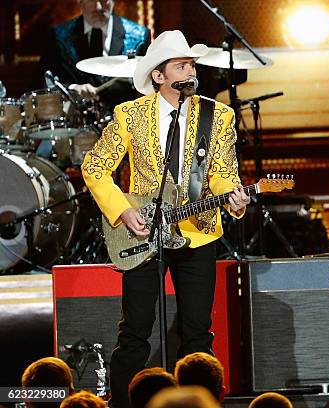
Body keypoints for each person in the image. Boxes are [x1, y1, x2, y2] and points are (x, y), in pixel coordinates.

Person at [81, 30, 250, 408]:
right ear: (158, 75)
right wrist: (123, 210)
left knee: (197, 334)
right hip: (143, 233)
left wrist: (234, 198)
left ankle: (203, 402)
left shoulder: (217, 115)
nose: (190, 69)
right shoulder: (130, 115)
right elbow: (94, 166)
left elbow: (222, 172)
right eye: (181, 64)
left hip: (198, 232)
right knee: (135, 331)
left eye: (191, 63)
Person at [37, 0, 150, 99]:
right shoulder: (59, 36)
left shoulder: (139, 36)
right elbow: (43, 81)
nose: (98, 7)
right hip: (78, 117)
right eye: (91, 0)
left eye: (103, 0)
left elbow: (149, 86)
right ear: (80, 1)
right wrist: (73, 88)